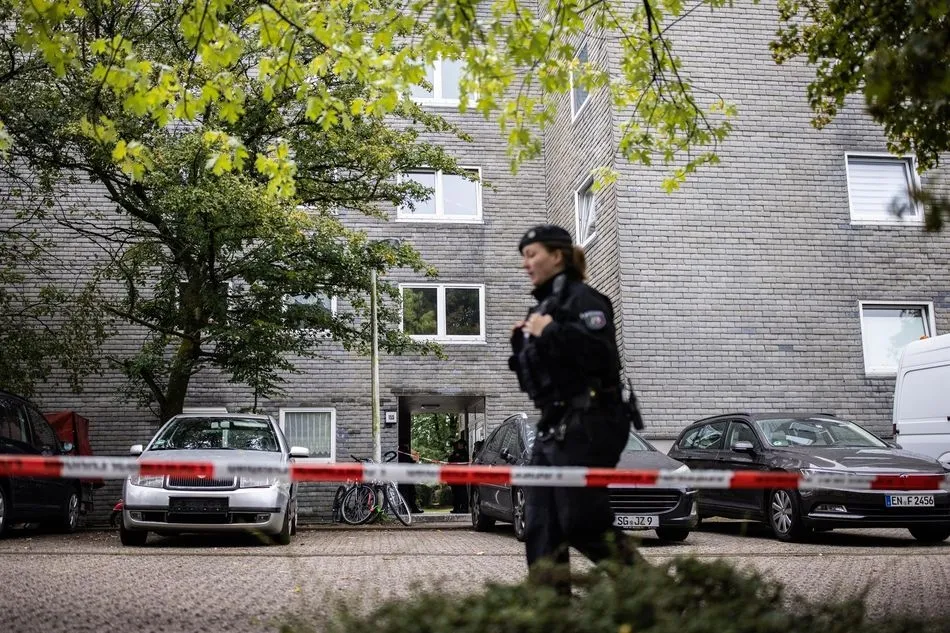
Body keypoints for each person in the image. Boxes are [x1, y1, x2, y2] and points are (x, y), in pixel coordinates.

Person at [508, 223, 639, 593]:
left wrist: (549, 333)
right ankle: (552, 616)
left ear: (557, 256)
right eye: (524, 257)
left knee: (582, 522)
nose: (526, 264)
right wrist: (522, 347)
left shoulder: (584, 299)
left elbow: (602, 356)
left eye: (532, 255)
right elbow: (541, 384)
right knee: (541, 528)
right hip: (554, 426)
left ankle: (655, 592)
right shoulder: (544, 307)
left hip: (592, 421)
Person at [397, 443, 423, 514]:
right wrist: (416, 459)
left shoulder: (402, 455)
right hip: (405, 478)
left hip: (406, 478)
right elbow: (413, 464)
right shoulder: (404, 456)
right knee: (407, 494)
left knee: (410, 493)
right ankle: (407, 509)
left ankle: (410, 509)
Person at [446, 438, 470, 513]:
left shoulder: (464, 453)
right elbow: (450, 460)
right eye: (458, 444)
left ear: (463, 445)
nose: (458, 445)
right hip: (454, 475)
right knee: (455, 492)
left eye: (460, 444)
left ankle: (464, 508)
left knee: (462, 492)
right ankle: (456, 507)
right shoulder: (454, 452)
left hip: (461, 476)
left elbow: (462, 462)